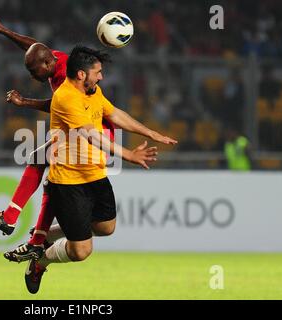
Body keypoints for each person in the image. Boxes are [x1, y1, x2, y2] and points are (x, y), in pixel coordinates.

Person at [0, 14, 177, 263]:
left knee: (50, 173)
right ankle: (18, 225)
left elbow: (60, 106)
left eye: (33, 70)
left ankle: (31, 237)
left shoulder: (66, 80)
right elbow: (34, 46)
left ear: (48, 64)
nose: (32, 76)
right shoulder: (58, 60)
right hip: (82, 133)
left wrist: (24, 102)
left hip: (94, 135)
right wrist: (4, 31)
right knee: (43, 164)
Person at [22, 45, 178, 294]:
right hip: (69, 182)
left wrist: (150, 132)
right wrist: (128, 154)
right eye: (98, 72)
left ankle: (45, 235)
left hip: (94, 175)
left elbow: (114, 114)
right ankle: (40, 261)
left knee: (107, 227)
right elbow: (90, 134)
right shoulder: (65, 97)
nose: (101, 76)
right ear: (82, 74)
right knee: (81, 251)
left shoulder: (92, 91)